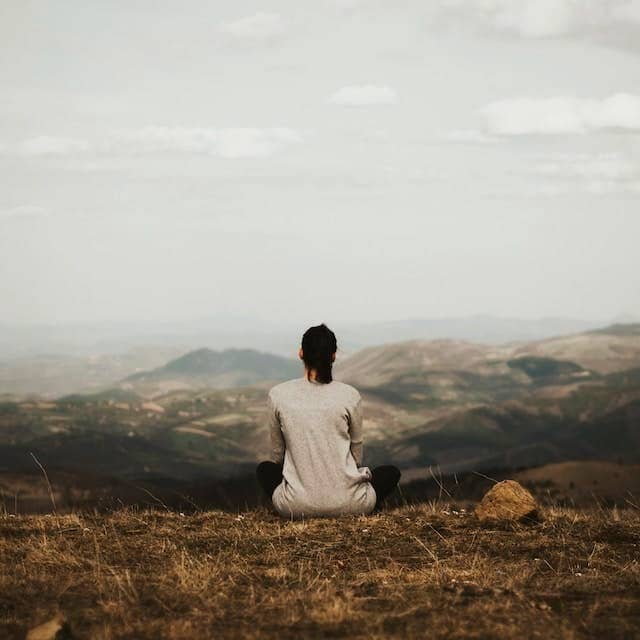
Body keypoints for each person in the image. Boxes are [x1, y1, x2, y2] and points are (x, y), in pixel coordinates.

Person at [256, 323, 401, 519]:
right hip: (352, 505)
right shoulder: (350, 395)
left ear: (301, 353)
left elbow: (277, 456)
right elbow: (356, 457)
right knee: (390, 473)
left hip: (295, 506)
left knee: (265, 469)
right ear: (333, 356)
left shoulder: (278, 395)